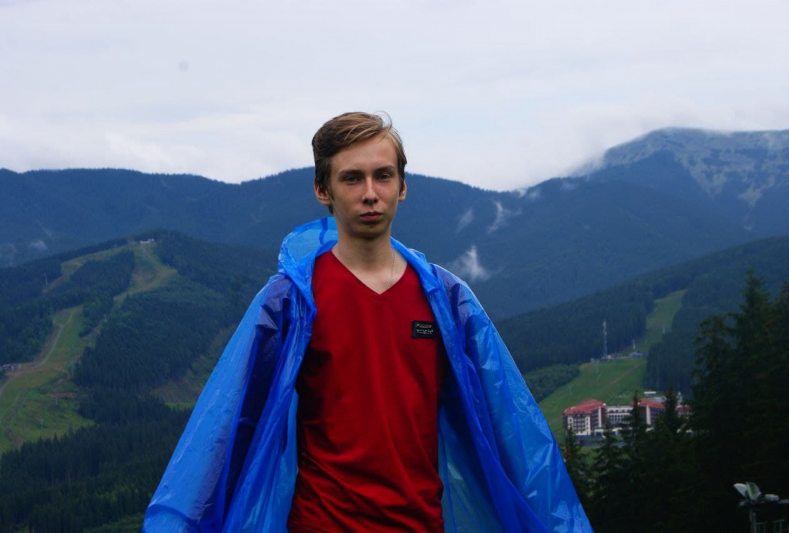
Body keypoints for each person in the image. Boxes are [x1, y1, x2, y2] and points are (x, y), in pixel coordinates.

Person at [144, 112, 591, 532]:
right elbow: (230, 427)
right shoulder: (291, 302)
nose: (370, 193)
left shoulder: (446, 300)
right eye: (352, 178)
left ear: (403, 186)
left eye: (383, 175)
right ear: (323, 190)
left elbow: (506, 425)